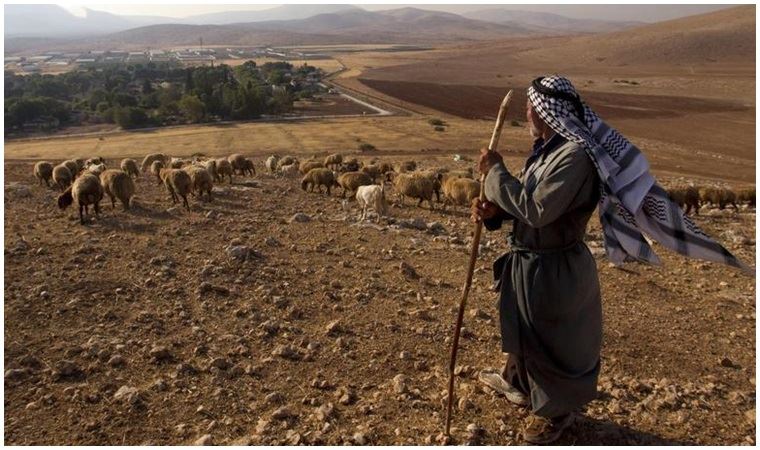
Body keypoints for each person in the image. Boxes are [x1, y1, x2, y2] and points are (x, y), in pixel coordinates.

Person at [471, 75, 749, 444]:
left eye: (532, 105)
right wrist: (493, 213)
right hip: (529, 260)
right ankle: (517, 383)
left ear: (548, 111)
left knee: (553, 339)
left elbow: (537, 211)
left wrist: (494, 173)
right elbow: (524, 203)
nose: (527, 111)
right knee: (525, 328)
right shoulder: (546, 149)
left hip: (554, 267)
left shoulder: (573, 157)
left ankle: (555, 417)